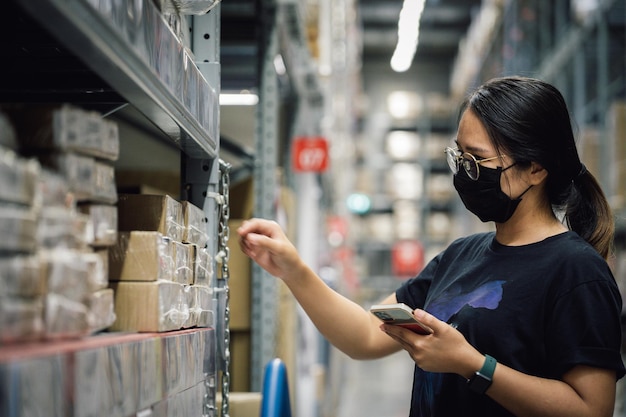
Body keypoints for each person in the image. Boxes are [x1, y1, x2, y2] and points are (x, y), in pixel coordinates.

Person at [237, 76, 625, 417]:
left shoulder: (577, 271)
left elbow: (591, 409)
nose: (464, 173)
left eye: (477, 161)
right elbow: (365, 336)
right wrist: (293, 269)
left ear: (535, 169)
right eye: (459, 156)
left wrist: (473, 365)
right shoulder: (460, 256)